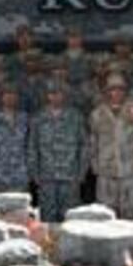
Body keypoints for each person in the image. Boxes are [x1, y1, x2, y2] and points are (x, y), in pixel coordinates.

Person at [27, 80, 87, 223]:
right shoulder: (38, 118)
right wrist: (34, 172)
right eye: (52, 94)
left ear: (64, 95)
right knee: (47, 216)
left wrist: (81, 172)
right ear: (47, 96)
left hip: (70, 175)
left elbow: (84, 145)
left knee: (70, 216)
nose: (55, 97)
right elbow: (32, 147)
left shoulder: (75, 117)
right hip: (46, 176)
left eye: (59, 93)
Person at [90, 73, 133, 219]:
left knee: (129, 212)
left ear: (125, 91)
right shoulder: (97, 114)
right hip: (105, 172)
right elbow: (92, 142)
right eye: (112, 89)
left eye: (120, 89)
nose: (116, 92)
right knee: (106, 215)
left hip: (129, 171)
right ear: (107, 91)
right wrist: (95, 165)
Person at [0, 84, 30, 195]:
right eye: (6, 94)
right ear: (1, 97)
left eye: (13, 94)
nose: (10, 97)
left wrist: (30, 171)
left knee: (20, 210)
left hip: (20, 173)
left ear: (18, 97)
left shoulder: (25, 119)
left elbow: (30, 147)